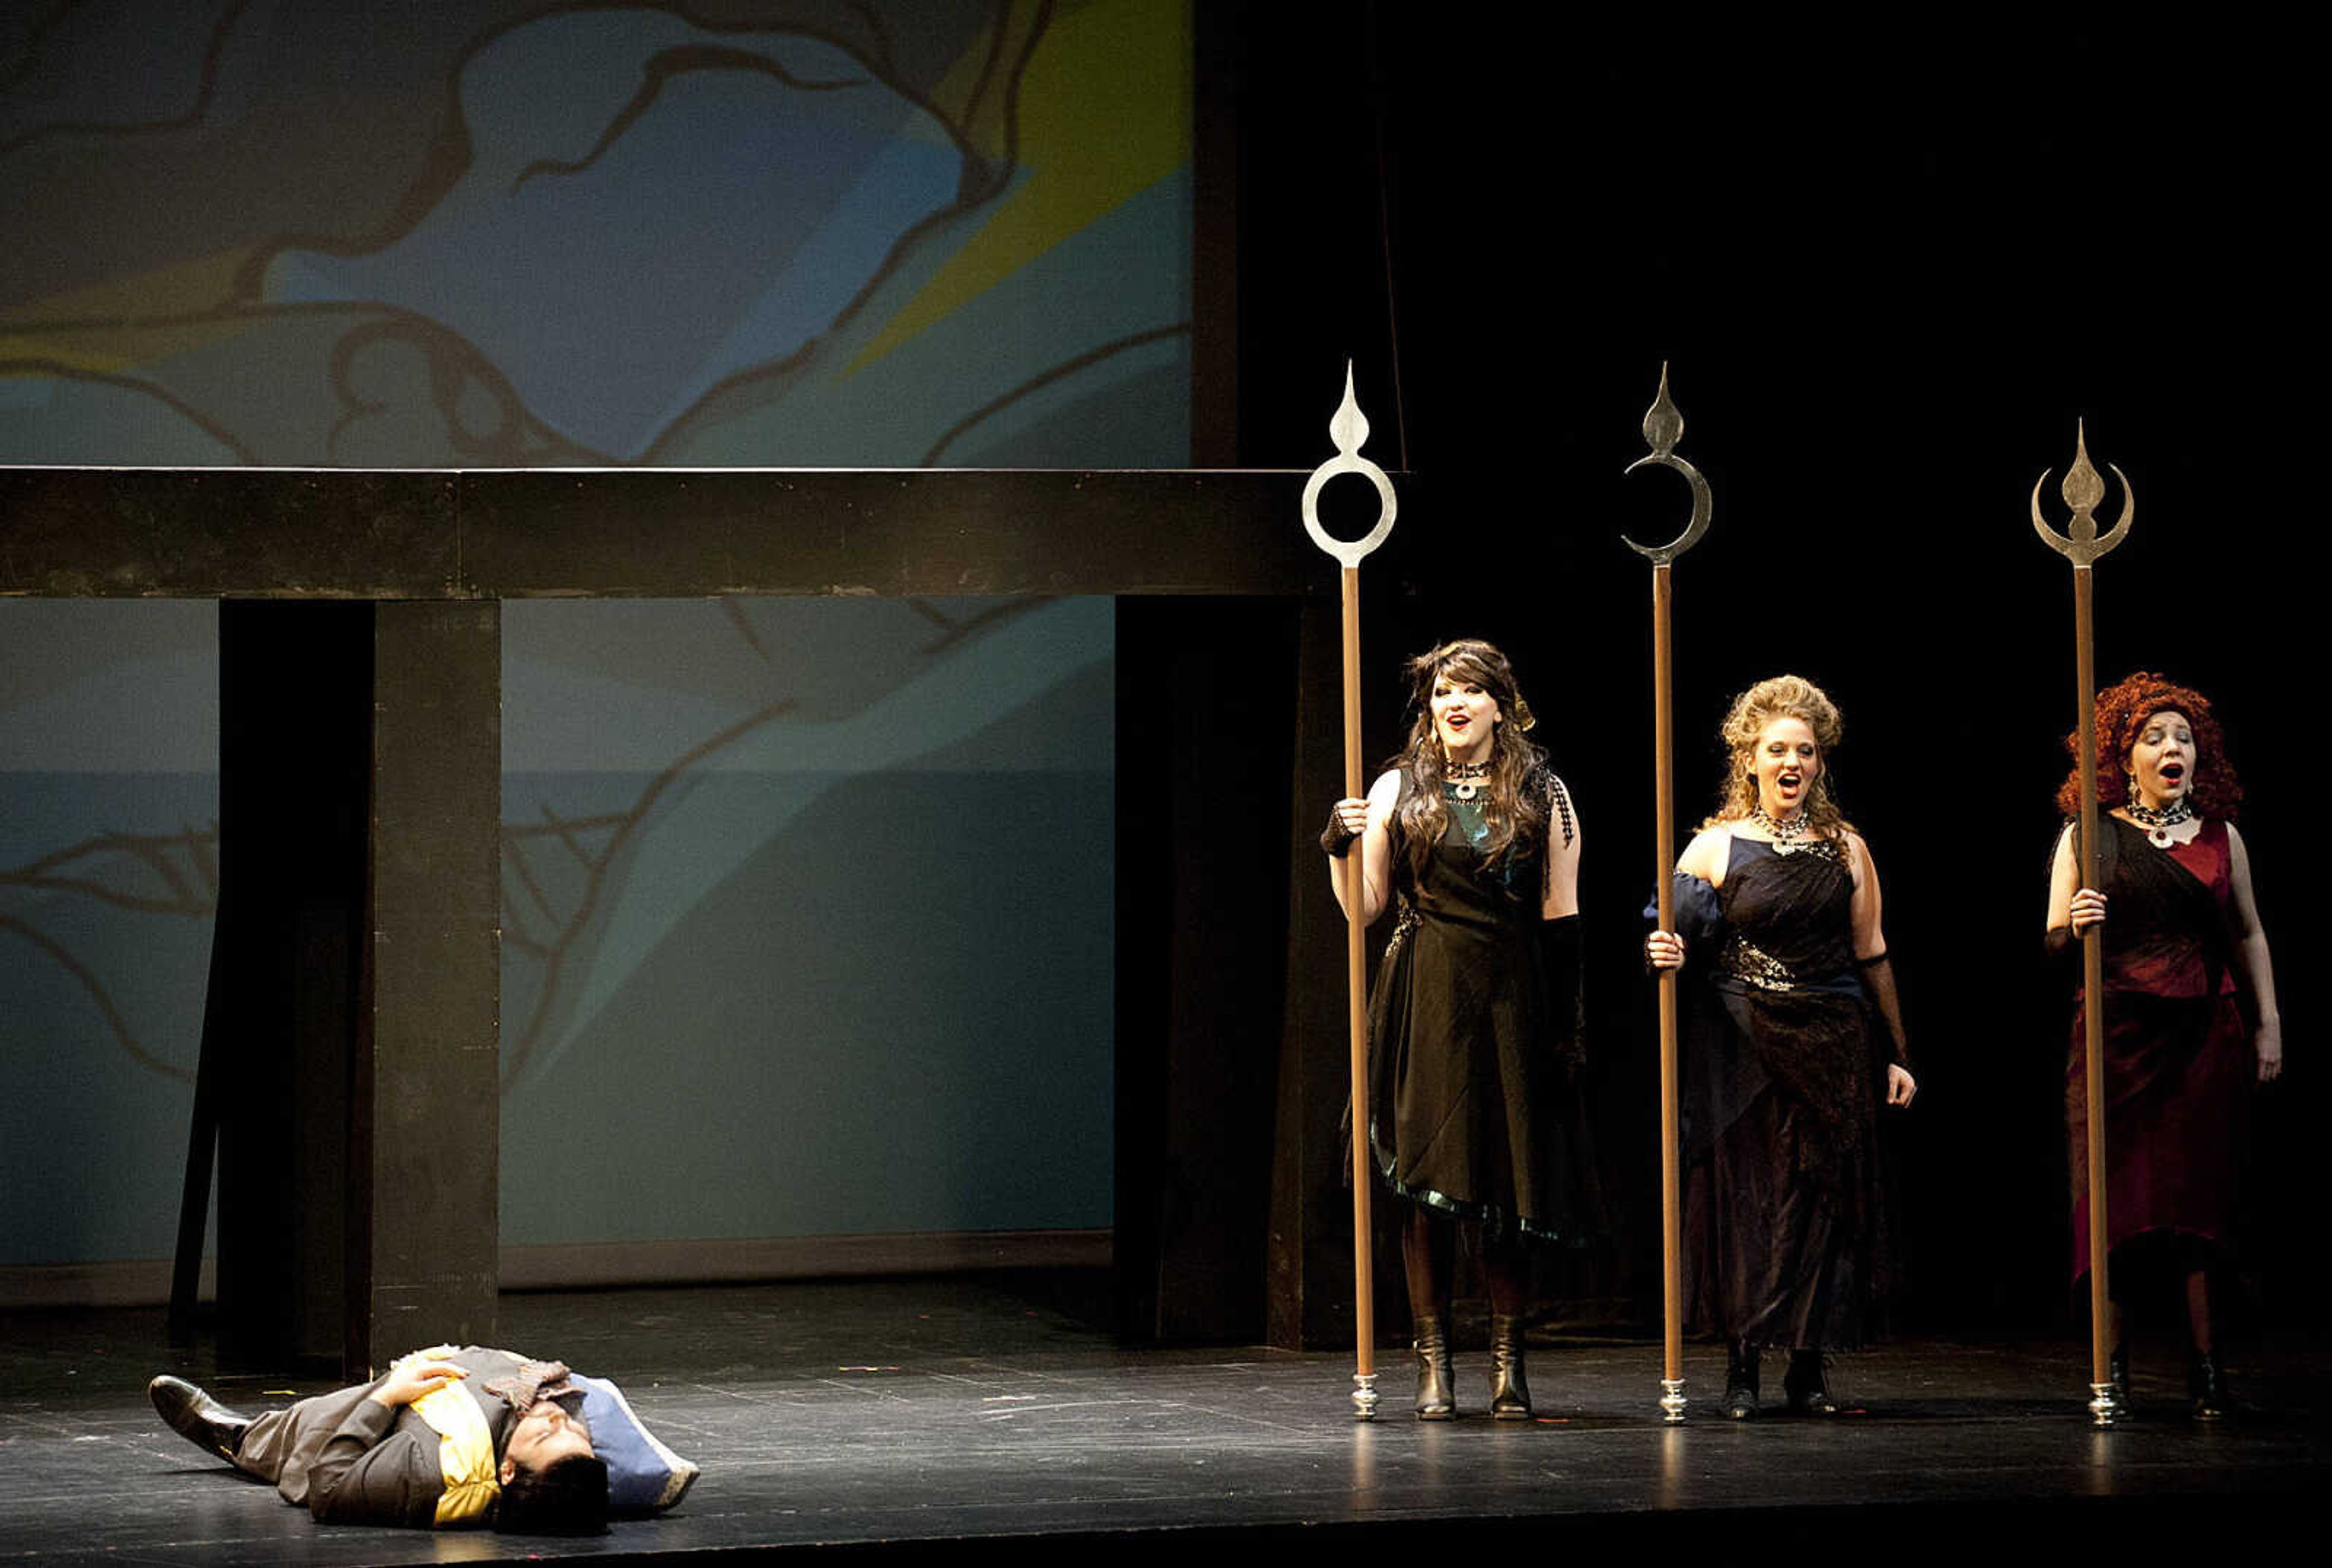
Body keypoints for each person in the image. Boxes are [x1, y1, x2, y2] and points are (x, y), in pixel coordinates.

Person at [1322, 638, 1587, 1420]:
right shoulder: (1399, 787)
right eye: (1442, 691)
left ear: (1502, 705)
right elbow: (1363, 909)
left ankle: (1510, 1367)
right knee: (1425, 1187)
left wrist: (1567, 1030)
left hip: (1511, 996)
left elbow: (1563, 917)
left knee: (1506, 1186)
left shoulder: (1545, 791)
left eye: (1471, 689)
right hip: (1424, 994)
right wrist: (1337, 845)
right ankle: (1432, 1365)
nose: (1454, 703)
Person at [1645, 674, 1915, 1417]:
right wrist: (1664, 951)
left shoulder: (1848, 849)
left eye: (1805, 749)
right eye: (1776, 749)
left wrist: (1897, 1051)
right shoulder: (1715, 846)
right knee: (1751, 1205)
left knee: (1820, 1206)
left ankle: (1807, 1366)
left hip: (1834, 1044)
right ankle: (1742, 1367)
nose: (1791, 761)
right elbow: (1674, 936)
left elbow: (1873, 953)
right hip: (1744, 1049)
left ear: (1819, 761)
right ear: (1750, 758)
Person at [2045, 673, 2280, 1420]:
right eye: (2153, 736)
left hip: (2204, 1033)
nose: (2170, 747)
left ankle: (2208, 1368)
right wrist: (2076, 922)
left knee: (2201, 1205)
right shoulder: (2088, 831)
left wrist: (2270, 1023)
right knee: (2112, 1205)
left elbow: (2247, 931)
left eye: (2181, 736)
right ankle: (2107, 1369)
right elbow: (2051, 939)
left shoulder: (2221, 836)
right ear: (2124, 753)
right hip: (2114, 1036)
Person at [148, 1345, 610, 1533]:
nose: (558, 1418)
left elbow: (328, 1490)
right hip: (436, 1394)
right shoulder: (572, 1462)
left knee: (306, 1426)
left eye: (549, 1432)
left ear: (507, 1471)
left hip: (366, 1436)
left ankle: (241, 1440)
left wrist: (387, 1398)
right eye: (573, 1431)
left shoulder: (431, 1472)